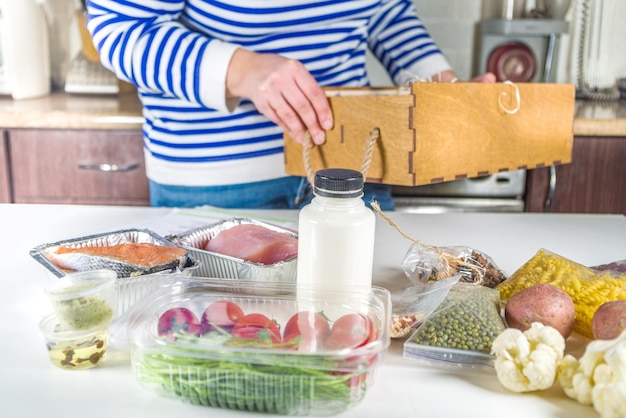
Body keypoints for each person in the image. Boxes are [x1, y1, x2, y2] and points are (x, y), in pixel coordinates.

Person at [85, 0, 495, 210]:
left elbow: (387, 12)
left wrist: (442, 87)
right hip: (221, 183)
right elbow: (122, 31)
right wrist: (244, 70)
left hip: (353, 170)